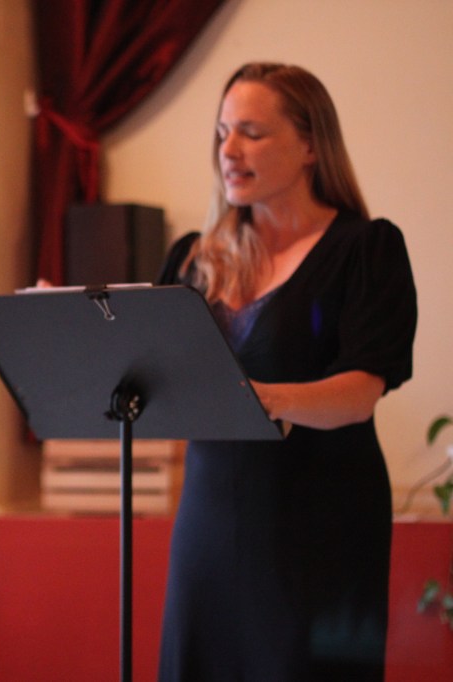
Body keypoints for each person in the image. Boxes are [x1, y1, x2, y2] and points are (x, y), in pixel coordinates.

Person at [156, 62, 417, 681]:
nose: (229, 149)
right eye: (222, 132)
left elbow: (360, 392)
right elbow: (156, 374)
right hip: (209, 523)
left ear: (308, 146)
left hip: (319, 531)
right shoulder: (196, 258)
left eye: (251, 131)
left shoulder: (366, 249)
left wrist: (261, 398)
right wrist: (74, 322)